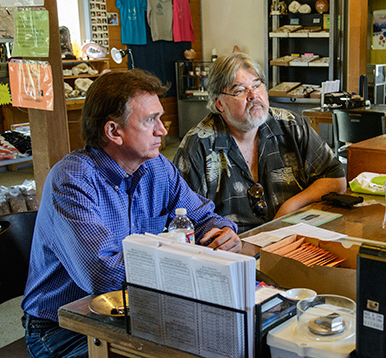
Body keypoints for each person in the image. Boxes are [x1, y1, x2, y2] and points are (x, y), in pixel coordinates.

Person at [21, 69, 241, 358]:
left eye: (160, 118)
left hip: (133, 309)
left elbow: (203, 217)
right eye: (150, 120)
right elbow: (102, 276)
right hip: (63, 328)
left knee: (226, 339)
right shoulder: (72, 180)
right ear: (113, 131)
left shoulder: (157, 167)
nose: (162, 130)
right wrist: (178, 253)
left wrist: (224, 233)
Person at [174, 52, 347, 233]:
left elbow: (335, 178)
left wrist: (289, 208)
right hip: (233, 251)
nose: (253, 95)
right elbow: (184, 218)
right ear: (219, 104)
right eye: (240, 90)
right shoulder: (198, 146)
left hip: (292, 237)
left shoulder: (291, 126)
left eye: (257, 86)